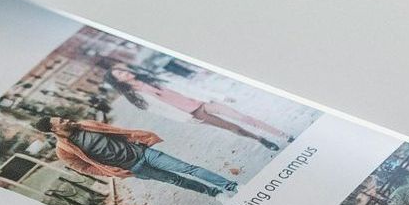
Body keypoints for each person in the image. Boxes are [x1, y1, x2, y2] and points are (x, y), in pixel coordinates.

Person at [100, 63, 290, 150]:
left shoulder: (152, 78)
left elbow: (186, 86)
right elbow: (161, 111)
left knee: (244, 118)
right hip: (193, 113)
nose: (125, 74)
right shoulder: (136, 97)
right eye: (120, 75)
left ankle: (284, 136)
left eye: (123, 71)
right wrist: (186, 119)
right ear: (118, 82)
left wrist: (218, 96)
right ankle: (260, 139)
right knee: (236, 128)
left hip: (203, 102)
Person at [34, 117, 237, 197]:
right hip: (135, 168)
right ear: (54, 129)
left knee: (187, 168)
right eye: (60, 120)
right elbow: (84, 168)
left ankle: (230, 186)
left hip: (143, 152)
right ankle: (214, 193)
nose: (65, 119)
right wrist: (113, 171)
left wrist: (137, 139)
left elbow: (117, 131)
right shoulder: (63, 150)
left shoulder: (84, 124)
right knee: (176, 180)